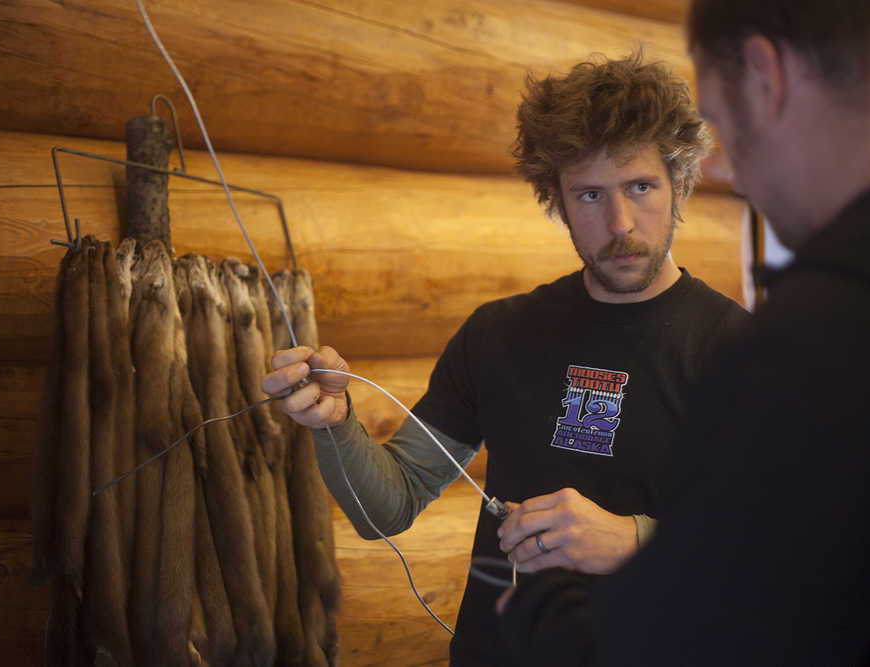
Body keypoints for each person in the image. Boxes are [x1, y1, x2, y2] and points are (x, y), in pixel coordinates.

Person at [498, 1, 870, 665]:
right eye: (590, 193)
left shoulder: (810, 353)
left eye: (719, 117)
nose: (731, 171)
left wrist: (542, 616)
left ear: (767, 77)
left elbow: (708, 634)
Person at [262, 52, 748, 666]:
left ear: (679, 185)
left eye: (641, 187)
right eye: (591, 194)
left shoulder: (743, 351)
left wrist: (633, 540)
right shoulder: (499, 334)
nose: (620, 223)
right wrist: (336, 424)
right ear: (557, 201)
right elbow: (386, 507)